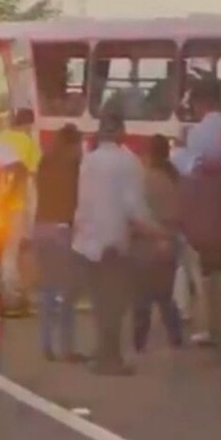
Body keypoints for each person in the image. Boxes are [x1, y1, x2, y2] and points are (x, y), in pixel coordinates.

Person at [72, 105, 163, 376]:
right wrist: (157, 233)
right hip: (115, 241)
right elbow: (134, 208)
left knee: (101, 304)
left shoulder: (89, 160)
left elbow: (82, 203)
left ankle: (103, 354)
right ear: (122, 132)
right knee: (115, 304)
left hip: (87, 241)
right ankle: (110, 359)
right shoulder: (129, 162)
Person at [173, 81, 221, 347]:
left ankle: (207, 326)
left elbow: (191, 172)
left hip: (204, 215)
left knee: (201, 276)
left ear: (201, 104)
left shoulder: (198, 133)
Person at [33, 124, 85, 362]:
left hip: (41, 227)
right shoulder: (72, 168)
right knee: (67, 292)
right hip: (62, 230)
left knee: (48, 290)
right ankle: (66, 348)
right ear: (72, 144)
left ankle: (46, 343)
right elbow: (76, 200)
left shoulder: (45, 162)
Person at [131, 134, 185, 353]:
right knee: (164, 295)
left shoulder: (146, 179)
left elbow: (137, 214)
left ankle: (139, 342)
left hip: (149, 243)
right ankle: (175, 334)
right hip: (171, 242)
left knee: (142, 297)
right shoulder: (174, 177)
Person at [0, 108, 41, 316]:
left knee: (1, 249)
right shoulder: (28, 143)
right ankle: (11, 297)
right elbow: (25, 171)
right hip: (16, 204)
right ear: (28, 125)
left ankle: (4, 292)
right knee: (12, 251)